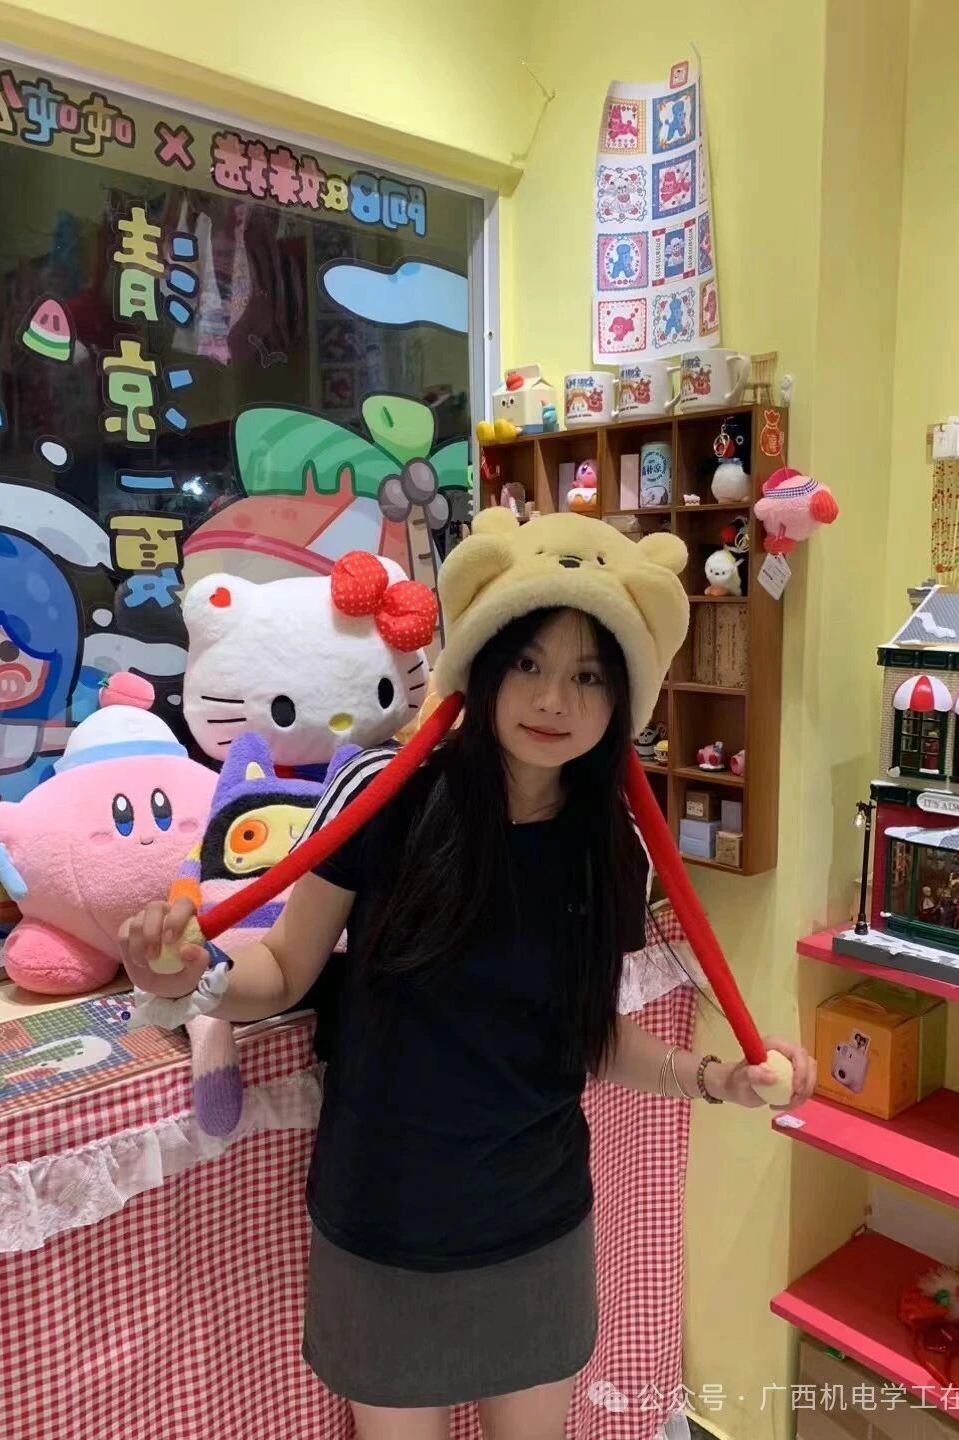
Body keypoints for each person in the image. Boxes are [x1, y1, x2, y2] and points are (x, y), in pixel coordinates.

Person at [120, 519, 816, 1440]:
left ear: (623, 698)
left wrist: (717, 1079)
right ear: (482, 661)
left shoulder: (609, 840)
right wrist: (190, 973)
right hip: (385, 1223)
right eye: (527, 662)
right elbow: (284, 967)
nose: (553, 699)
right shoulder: (386, 793)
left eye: (589, 676)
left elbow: (586, 1032)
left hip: (537, 1224)